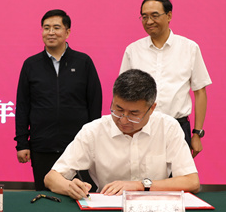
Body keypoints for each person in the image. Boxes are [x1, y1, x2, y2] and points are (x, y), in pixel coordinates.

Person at [44, 69, 200, 200]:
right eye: (118, 110)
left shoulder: (168, 127)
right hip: (109, 209)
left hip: (155, 208)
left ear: (151, 109)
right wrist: (69, 187)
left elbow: (192, 182)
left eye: (134, 114)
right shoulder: (94, 131)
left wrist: (140, 186)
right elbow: (51, 178)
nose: (123, 120)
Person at [15, 9, 102, 190]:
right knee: (45, 195)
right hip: (42, 146)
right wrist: (22, 144)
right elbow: (23, 106)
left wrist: (94, 141)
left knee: (81, 193)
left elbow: (95, 103)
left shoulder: (83, 62)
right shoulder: (31, 65)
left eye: (56, 27)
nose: (51, 32)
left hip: (78, 145)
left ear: (67, 32)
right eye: (46, 28)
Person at [120, 0, 211, 157]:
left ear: (169, 16)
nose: (149, 21)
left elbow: (200, 92)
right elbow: (123, 93)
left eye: (154, 15)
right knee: (140, 172)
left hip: (177, 127)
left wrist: (197, 133)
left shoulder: (189, 48)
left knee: (176, 173)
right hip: (141, 128)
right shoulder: (133, 50)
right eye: (144, 17)